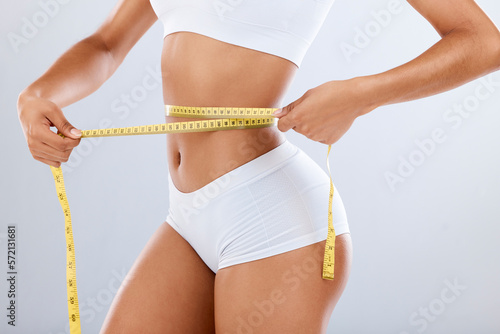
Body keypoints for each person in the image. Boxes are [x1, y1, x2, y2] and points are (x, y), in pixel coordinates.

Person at [16, 0, 500, 333]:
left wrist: (359, 96)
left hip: (273, 221)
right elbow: (106, 43)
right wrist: (37, 96)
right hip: (187, 216)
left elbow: (482, 41)